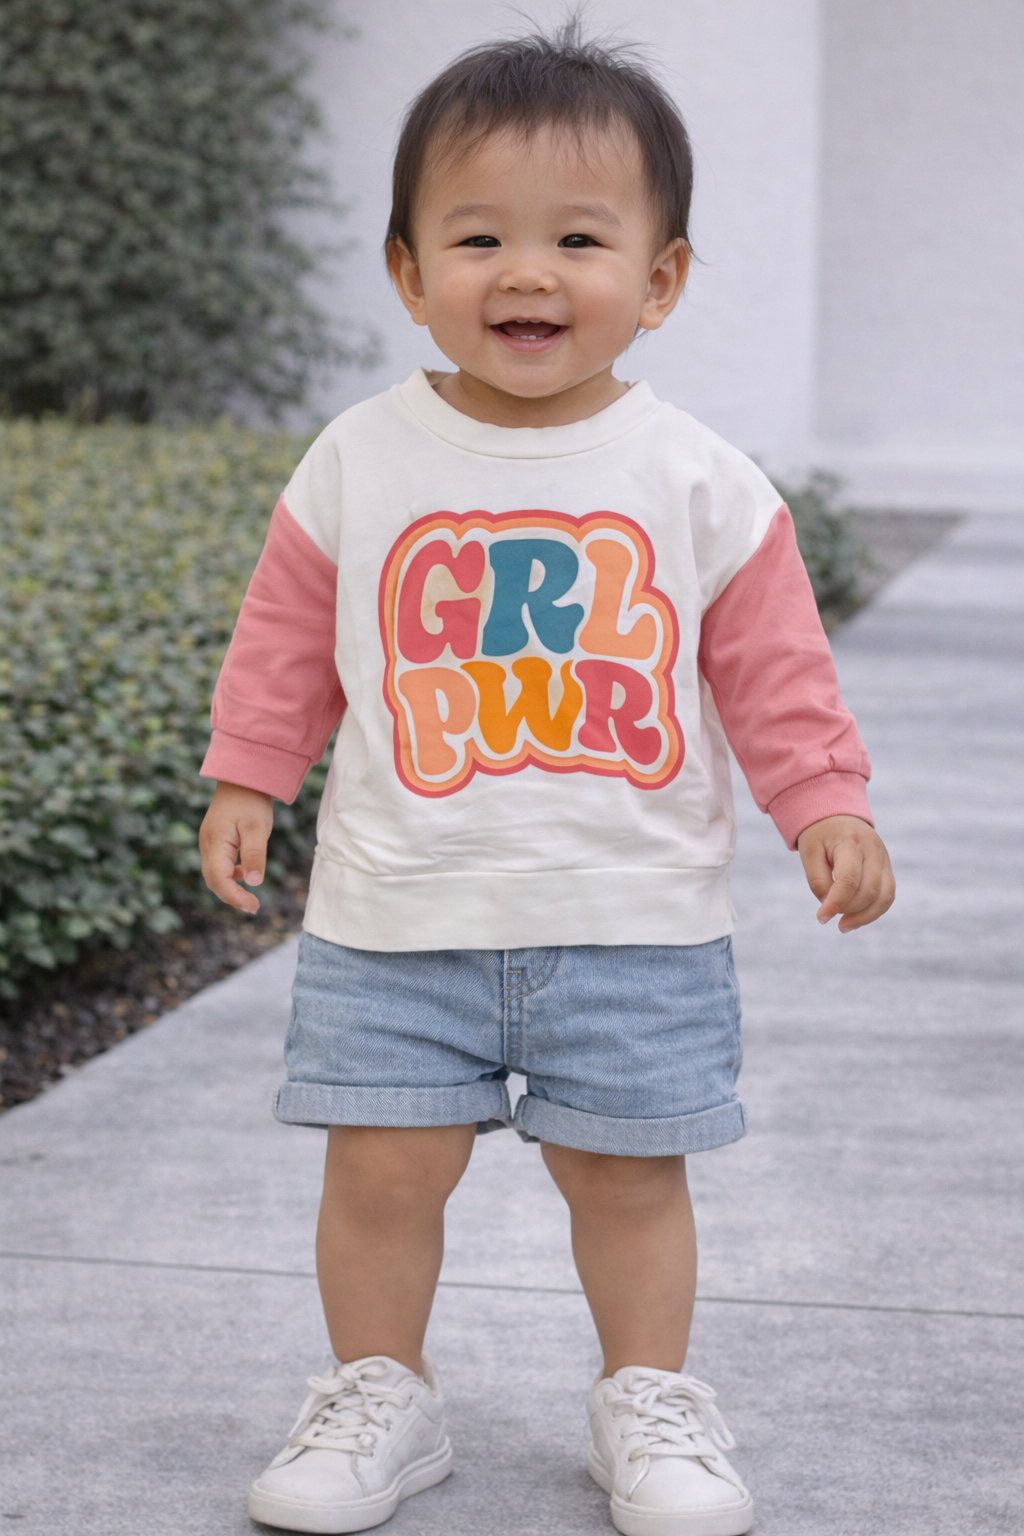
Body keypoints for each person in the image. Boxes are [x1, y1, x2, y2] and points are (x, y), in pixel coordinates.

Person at [198, 22, 895, 1536]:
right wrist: (249, 771)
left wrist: (823, 800)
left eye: (579, 238)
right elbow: (285, 640)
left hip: (635, 917)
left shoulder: (697, 477)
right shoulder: (357, 459)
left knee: (631, 1183)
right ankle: (379, 1389)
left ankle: (647, 1402)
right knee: (382, 1177)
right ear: (406, 272)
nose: (527, 272)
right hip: (396, 914)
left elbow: (771, 669)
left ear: (658, 281)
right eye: (478, 236)